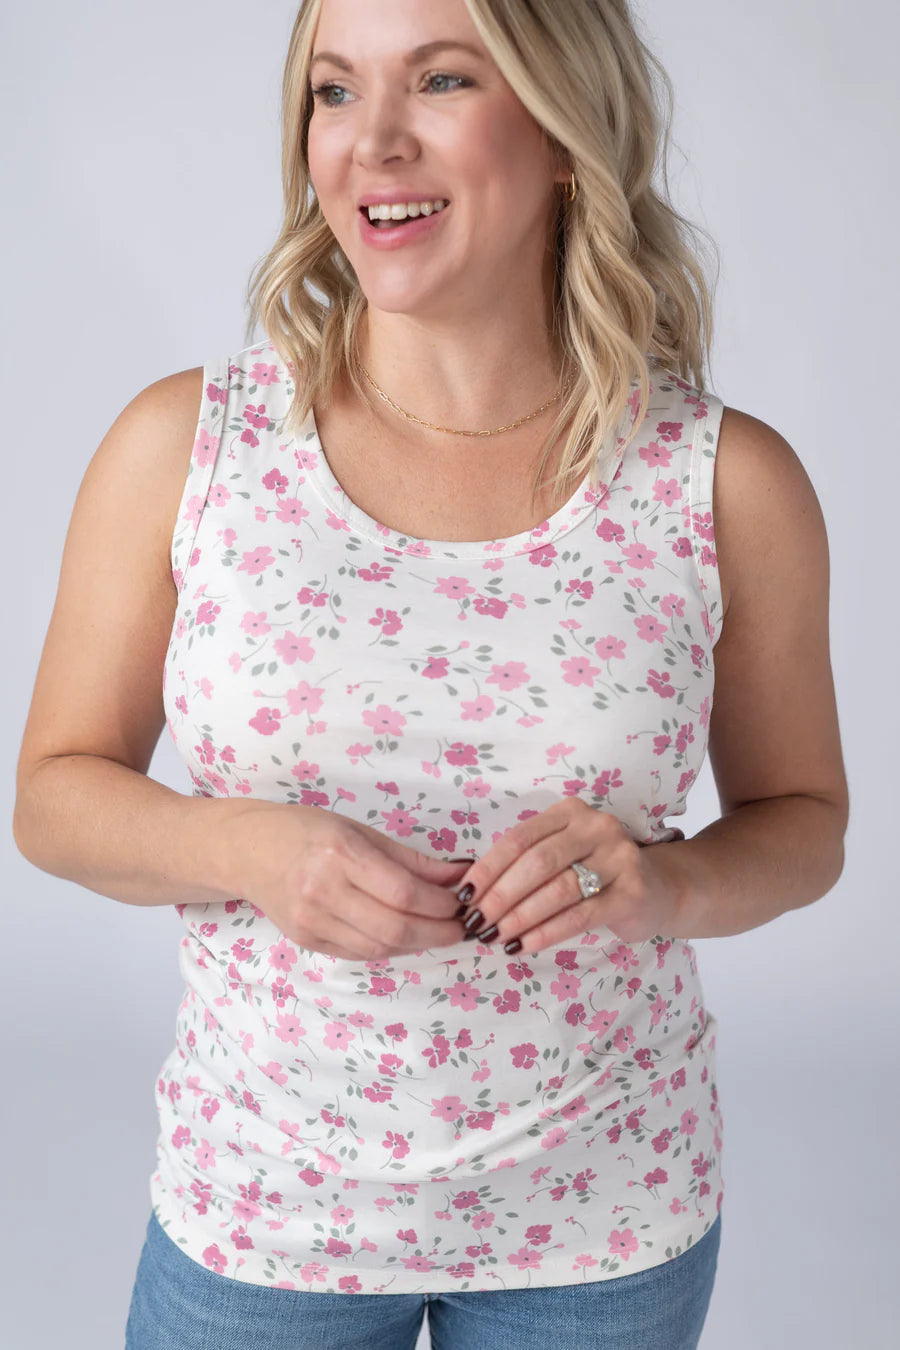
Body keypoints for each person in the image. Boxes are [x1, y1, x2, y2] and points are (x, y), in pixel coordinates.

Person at [13, 0, 849, 1346]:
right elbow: (54, 797)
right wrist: (249, 849)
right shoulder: (189, 447)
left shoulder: (720, 480)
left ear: (565, 132)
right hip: (263, 1213)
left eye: (443, 81)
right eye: (335, 91)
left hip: (602, 1224)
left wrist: (666, 883)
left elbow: (805, 823)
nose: (373, 143)